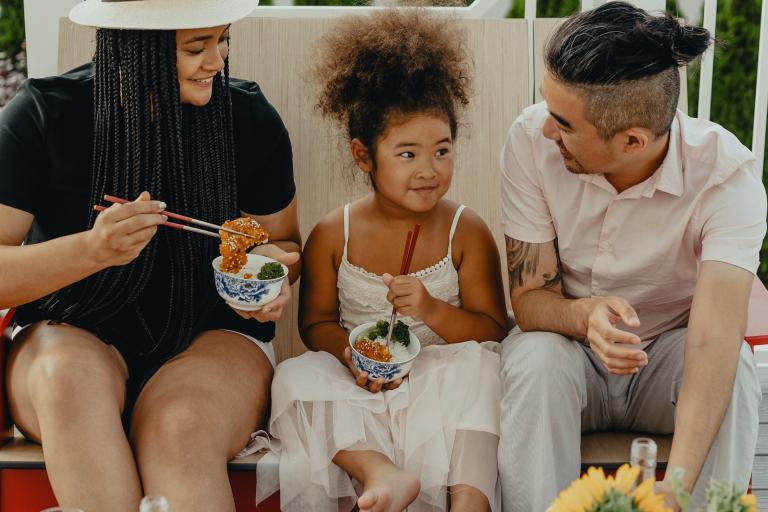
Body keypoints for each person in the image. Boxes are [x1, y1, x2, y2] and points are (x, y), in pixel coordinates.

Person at [0, 0, 301, 510]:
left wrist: (269, 278)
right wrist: (92, 250)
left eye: (222, 39)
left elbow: (288, 244)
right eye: (196, 47)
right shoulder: (44, 112)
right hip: (70, 329)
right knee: (67, 382)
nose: (217, 61)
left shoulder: (247, 117)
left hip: (212, 336)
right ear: (137, 46)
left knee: (181, 429)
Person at [497, 2, 767, 510]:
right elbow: (529, 299)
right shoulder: (530, 141)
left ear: (632, 141)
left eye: (563, 123)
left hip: (665, 362)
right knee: (535, 359)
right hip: (569, 357)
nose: (546, 130)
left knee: (737, 366)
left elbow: (713, 339)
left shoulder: (727, 179)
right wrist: (583, 316)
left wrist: (677, 482)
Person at [252, 9, 508, 512]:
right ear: (364, 156)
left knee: (482, 372)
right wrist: (352, 354)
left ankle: (470, 502)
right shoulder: (334, 233)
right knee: (294, 378)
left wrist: (432, 312)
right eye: (407, 154)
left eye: (442, 150)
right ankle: (380, 471)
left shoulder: (466, 232)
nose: (429, 170)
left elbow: (494, 327)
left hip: (443, 375)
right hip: (361, 382)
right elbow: (316, 324)